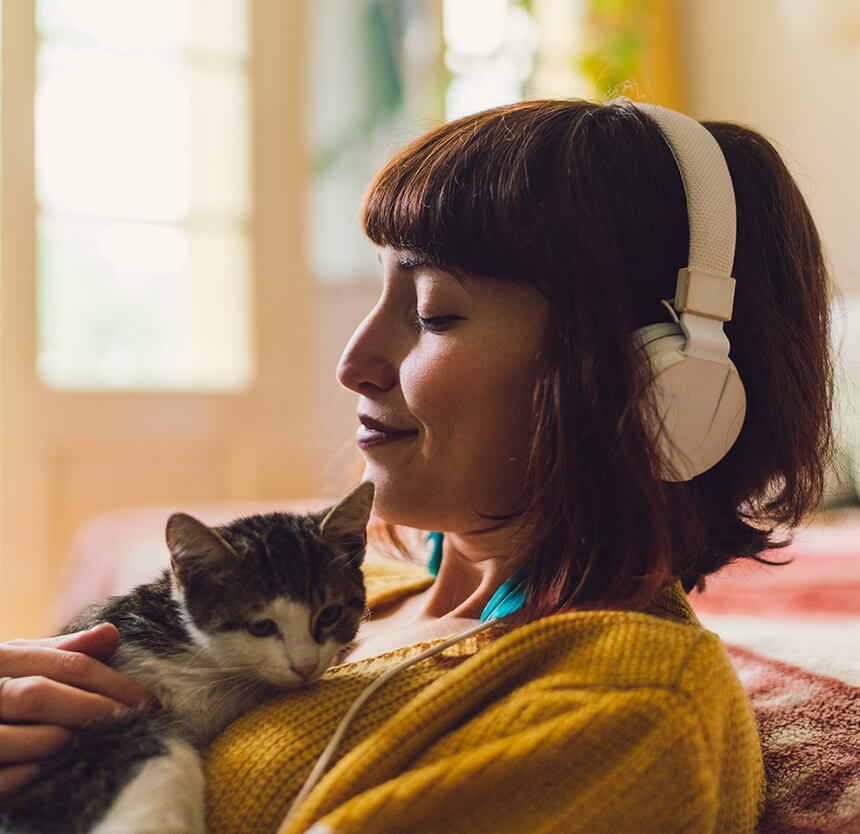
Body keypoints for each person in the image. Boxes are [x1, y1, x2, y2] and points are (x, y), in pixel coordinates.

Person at [0, 98, 832, 833]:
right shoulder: (368, 591)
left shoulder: (625, 709)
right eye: (379, 293)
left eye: (433, 312)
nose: (354, 362)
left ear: (655, 385)